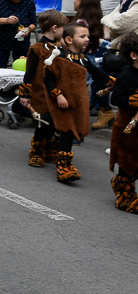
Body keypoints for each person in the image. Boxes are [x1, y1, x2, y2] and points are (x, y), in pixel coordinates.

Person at [44, 22, 111, 183]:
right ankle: (64, 167)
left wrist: (113, 81)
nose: (87, 39)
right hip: (62, 101)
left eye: (88, 36)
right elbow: (48, 79)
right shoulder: (60, 58)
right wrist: (58, 95)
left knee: (68, 130)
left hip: (77, 103)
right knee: (67, 131)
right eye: (82, 36)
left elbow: (97, 73)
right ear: (68, 39)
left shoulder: (83, 59)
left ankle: (51, 150)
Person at [16, 9, 68, 167]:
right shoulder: (37, 48)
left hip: (55, 92)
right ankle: (37, 151)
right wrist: (25, 94)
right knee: (43, 123)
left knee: (54, 122)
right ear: (54, 28)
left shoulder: (61, 49)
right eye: (62, 27)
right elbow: (29, 73)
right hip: (39, 92)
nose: (64, 31)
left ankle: (50, 149)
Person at [75, 0, 114, 129]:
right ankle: (106, 112)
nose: (74, 1)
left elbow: (93, 41)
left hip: (87, 59)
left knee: (79, 91)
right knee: (98, 86)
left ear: (83, 1)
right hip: (94, 58)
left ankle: (79, 125)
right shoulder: (95, 17)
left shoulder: (82, 21)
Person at [109, 32, 138, 213]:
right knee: (128, 161)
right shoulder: (127, 76)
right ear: (134, 55)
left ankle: (122, 185)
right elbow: (116, 99)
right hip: (128, 127)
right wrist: (133, 101)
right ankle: (125, 196)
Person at [101, 0, 138, 77]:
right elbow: (115, 18)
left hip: (131, 52)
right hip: (122, 48)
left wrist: (109, 20)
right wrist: (112, 20)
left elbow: (121, 23)